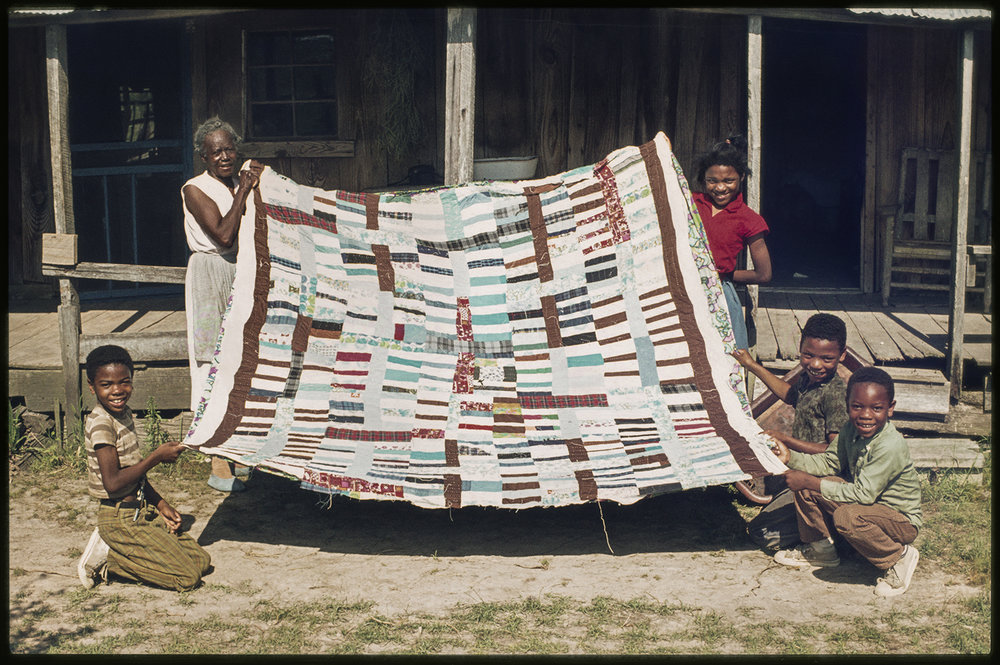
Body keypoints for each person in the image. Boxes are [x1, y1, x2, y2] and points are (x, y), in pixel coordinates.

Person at [770, 367, 922, 597]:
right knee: (807, 487)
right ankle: (821, 549)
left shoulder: (890, 445)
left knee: (845, 515)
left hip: (899, 520)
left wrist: (811, 482)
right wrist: (790, 458)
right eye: (857, 406)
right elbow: (829, 462)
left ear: (890, 408)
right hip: (870, 510)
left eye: (877, 408)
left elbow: (864, 495)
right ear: (847, 404)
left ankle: (898, 557)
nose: (866, 415)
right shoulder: (850, 430)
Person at [77, 345, 211, 591]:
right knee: (187, 578)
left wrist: (160, 504)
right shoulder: (101, 425)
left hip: (141, 511)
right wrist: (156, 457)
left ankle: (123, 551)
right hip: (119, 519)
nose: (117, 391)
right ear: (91, 386)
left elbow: (133, 471)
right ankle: (110, 562)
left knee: (202, 561)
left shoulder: (123, 415)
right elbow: (113, 483)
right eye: (106, 384)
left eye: (124, 382)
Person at [182, 117, 263, 492]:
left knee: (241, 358)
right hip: (211, 274)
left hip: (238, 274)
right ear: (203, 156)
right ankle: (217, 460)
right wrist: (245, 190)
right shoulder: (195, 189)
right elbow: (225, 236)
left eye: (230, 149)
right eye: (216, 152)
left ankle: (240, 449)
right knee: (211, 360)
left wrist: (250, 186)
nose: (225, 156)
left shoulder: (237, 182)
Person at [733, 313, 850, 551]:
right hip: (802, 469)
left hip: (823, 476)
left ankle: (835, 534)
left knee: (763, 534)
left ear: (842, 356)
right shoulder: (809, 381)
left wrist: (786, 439)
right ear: (800, 348)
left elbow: (834, 450)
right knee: (763, 522)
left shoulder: (835, 394)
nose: (816, 364)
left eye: (827, 358)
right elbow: (789, 395)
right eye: (808, 355)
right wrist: (751, 365)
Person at [692, 136, 772, 350]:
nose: (720, 188)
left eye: (728, 181)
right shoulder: (689, 204)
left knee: (725, 355)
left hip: (720, 295)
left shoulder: (750, 220)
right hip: (684, 289)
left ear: (742, 177)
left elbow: (764, 274)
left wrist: (723, 275)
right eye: (712, 181)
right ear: (703, 180)